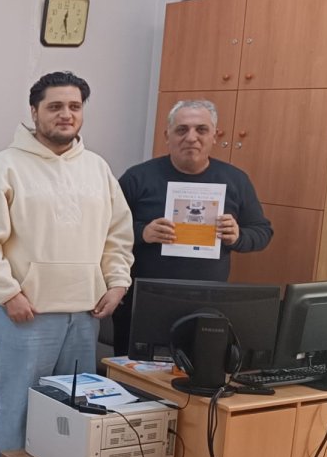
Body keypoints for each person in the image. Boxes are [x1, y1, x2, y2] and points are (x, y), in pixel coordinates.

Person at [0, 71, 134, 457]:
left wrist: (117, 283)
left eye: (74, 106)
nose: (66, 114)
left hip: (84, 313)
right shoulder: (4, 166)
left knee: (72, 417)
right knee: (16, 411)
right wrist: (8, 294)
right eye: (55, 106)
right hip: (26, 314)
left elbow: (118, 236)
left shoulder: (97, 169)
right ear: (34, 111)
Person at [112, 100, 273, 356]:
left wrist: (238, 236)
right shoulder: (138, 178)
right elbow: (105, 229)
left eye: (201, 130)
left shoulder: (235, 180)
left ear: (214, 136)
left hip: (208, 302)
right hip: (144, 300)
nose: (191, 137)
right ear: (167, 136)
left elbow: (262, 231)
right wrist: (142, 232)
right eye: (181, 130)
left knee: (199, 370)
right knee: (133, 374)